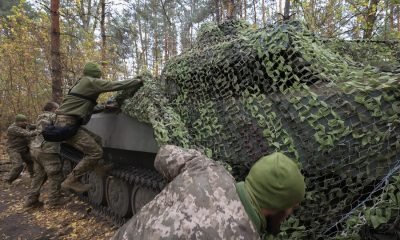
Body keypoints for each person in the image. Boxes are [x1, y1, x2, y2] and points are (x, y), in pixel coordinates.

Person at [112, 145, 306, 240]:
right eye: (292, 208)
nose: (289, 214)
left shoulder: (207, 169)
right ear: (277, 206)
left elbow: (163, 154)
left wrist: (184, 185)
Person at [55, 62, 142, 193]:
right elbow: (115, 85)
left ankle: (99, 167)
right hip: (67, 124)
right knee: (95, 152)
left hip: (68, 122)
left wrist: (104, 107)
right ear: (94, 74)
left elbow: (84, 107)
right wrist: (138, 81)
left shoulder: (81, 83)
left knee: (97, 140)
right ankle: (70, 181)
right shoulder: (90, 82)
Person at [24, 101, 65, 208]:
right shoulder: (54, 116)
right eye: (57, 108)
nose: (58, 109)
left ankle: (31, 200)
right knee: (55, 174)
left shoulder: (40, 116)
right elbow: (64, 126)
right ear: (53, 109)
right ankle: (54, 202)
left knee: (39, 175)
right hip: (47, 150)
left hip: (36, 149)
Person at [3, 114, 38, 184]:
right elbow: (28, 134)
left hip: (24, 149)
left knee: (31, 161)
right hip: (14, 149)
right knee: (18, 165)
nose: (25, 122)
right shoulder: (13, 128)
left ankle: (33, 176)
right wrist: (40, 131)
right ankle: (7, 180)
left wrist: (43, 125)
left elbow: (35, 125)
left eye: (26, 121)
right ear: (17, 122)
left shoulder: (25, 125)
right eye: (23, 121)